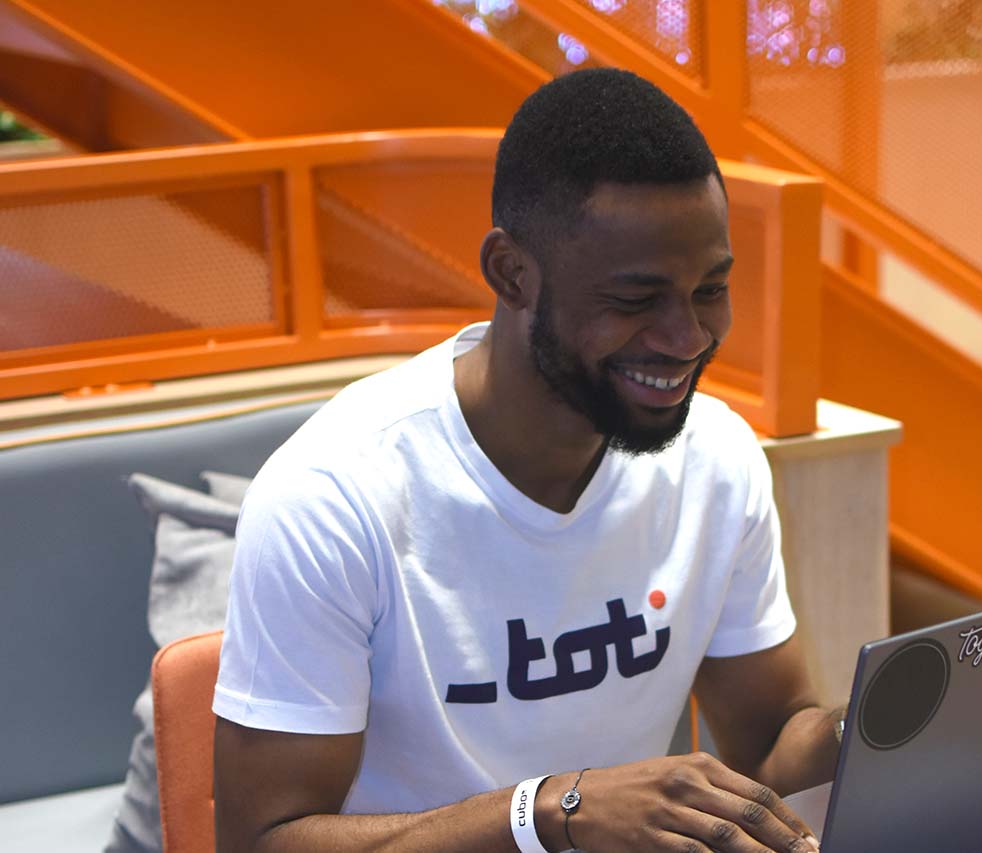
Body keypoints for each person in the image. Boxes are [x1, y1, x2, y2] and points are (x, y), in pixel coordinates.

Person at [212, 68, 840, 853]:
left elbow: (772, 746)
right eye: (636, 300)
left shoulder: (714, 456)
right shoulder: (333, 496)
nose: (688, 338)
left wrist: (873, 728)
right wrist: (548, 811)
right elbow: (260, 841)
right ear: (512, 273)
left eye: (710, 289)